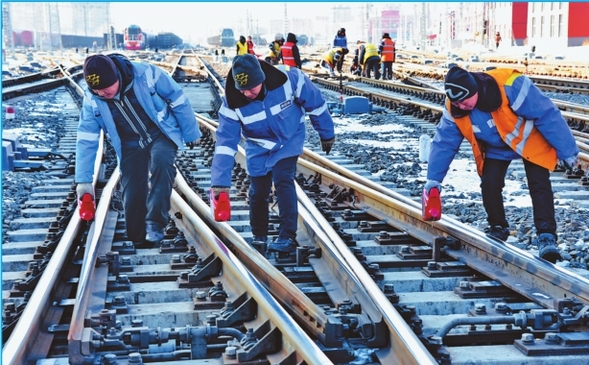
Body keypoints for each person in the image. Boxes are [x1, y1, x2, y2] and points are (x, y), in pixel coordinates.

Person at [423, 66, 579, 263]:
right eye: (457, 103)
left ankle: (546, 236)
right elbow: (445, 141)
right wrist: (433, 180)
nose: (461, 106)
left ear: (476, 91)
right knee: (489, 183)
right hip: (496, 146)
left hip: (531, 141)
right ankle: (498, 227)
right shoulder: (454, 107)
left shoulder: (511, 86)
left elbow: (547, 114)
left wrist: (567, 151)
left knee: (539, 185)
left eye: (464, 101)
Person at [210, 54, 336, 254]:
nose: (247, 93)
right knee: (258, 191)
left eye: (252, 87)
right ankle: (259, 236)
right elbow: (226, 143)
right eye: (243, 89)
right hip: (258, 146)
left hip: (288, 140)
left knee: (282, 179)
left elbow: (316, 104)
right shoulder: (232, 103)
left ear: (261, 79)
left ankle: (287, 236)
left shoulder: (290, 80)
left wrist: (326, 133)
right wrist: (219, 183)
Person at [75, 54, 201, 245]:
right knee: (133, 187)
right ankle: (137, 237)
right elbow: (87, 138)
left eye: (105, 88)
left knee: (161, 163)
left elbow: (178, 98)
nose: (101, 94)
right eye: (96, 90)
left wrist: (191, 133)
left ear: (116, 77)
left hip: (161, 133)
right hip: (128, 143)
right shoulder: (92, 99)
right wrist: (83, 180)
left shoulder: (146, 74)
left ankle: (155, 224)